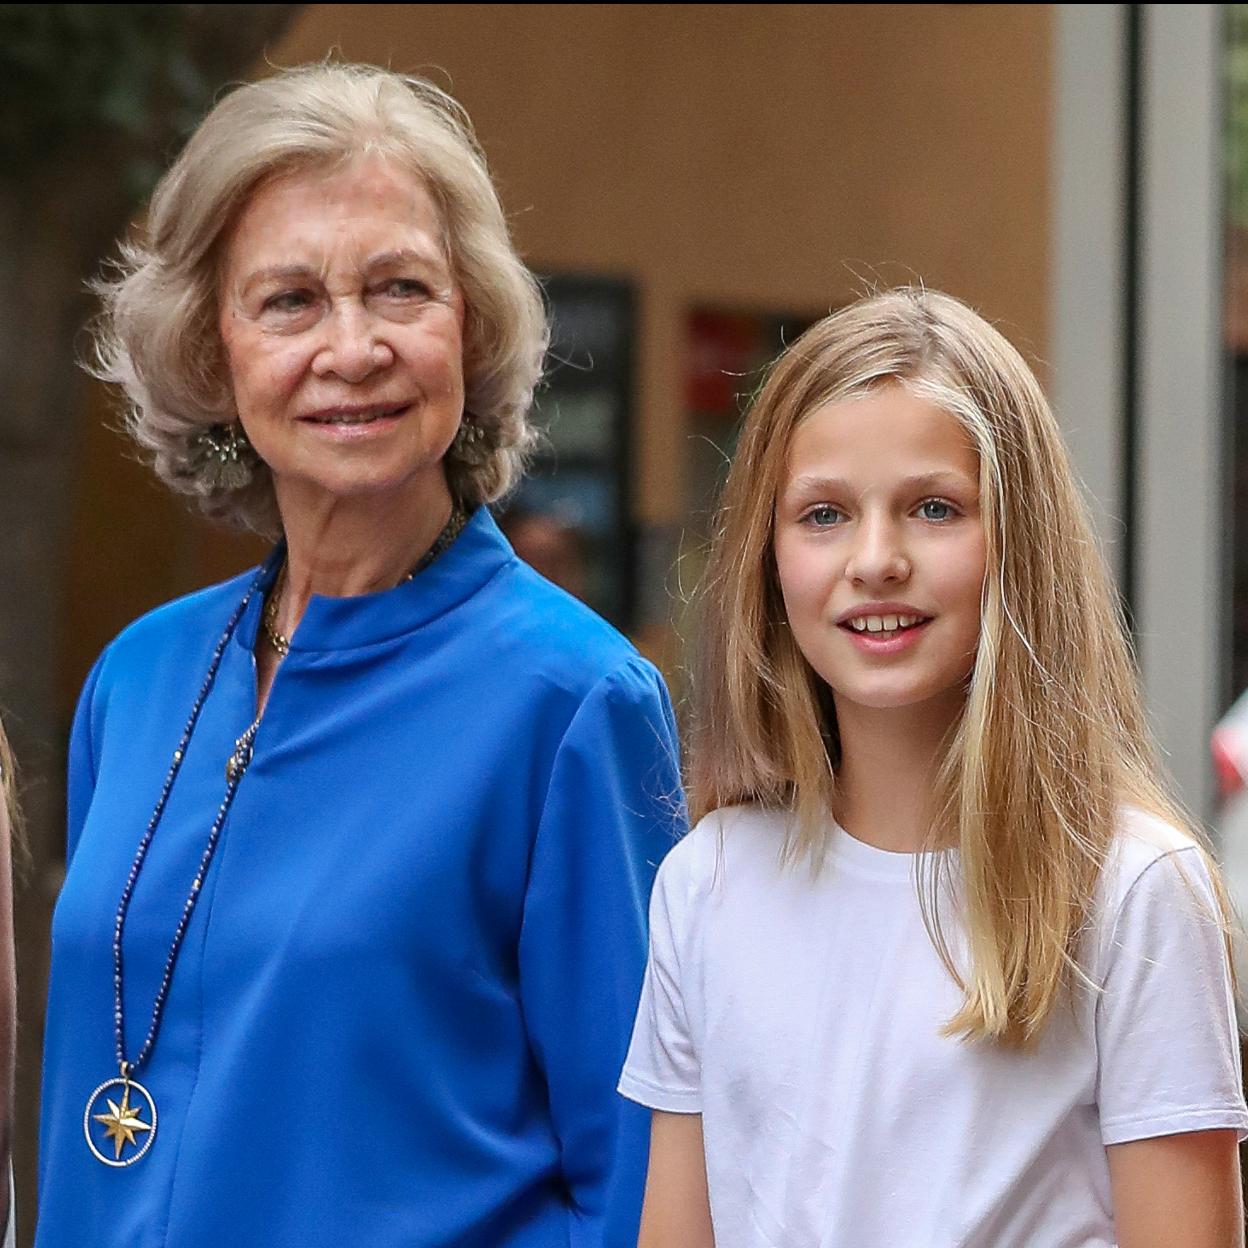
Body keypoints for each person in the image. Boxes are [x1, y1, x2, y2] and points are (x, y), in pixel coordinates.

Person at [37, 63, 682, 1248]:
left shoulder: (576, 702)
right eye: (289, 301)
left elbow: (643, 1177)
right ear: (210, 348)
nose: (353, 347)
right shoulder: (135, 680)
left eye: (400, 289)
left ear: (471, 326)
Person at [619, 288, 1248, 1247]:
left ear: (1020, 547)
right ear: (766, 558)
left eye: (935, 508)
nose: (875, 560)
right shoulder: (705, 885)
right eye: (824, 514)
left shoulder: (1133, 893)